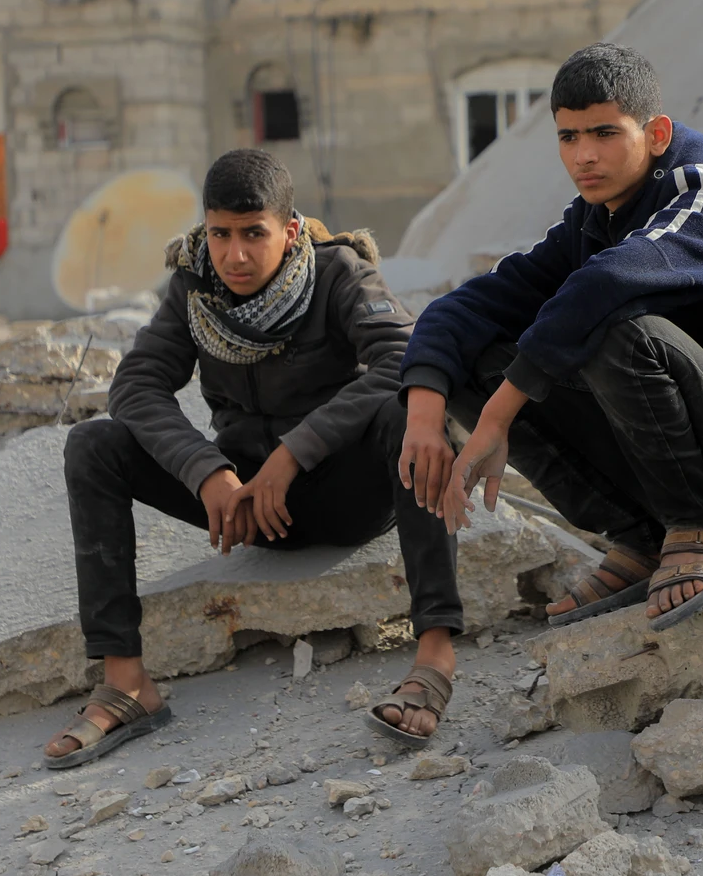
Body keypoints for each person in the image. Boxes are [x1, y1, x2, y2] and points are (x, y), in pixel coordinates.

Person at [395, 44, 703, 634]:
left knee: (618, 327)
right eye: (569, 137)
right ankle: (643, 536)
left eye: (605, 133)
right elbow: (466, 306)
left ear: (656, 134)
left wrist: (497, 416)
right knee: (476, 354)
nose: (584, 155)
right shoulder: (595, 217)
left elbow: (607, 283)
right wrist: (424, 418)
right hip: (692, 461)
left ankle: (697, 525)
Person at [44, 149, 463, 769]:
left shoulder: (338, 272)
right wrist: (205, 471)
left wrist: (295, 452)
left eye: (253, 234)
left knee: (415, 416)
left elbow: (402, 359)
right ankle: (127, 682)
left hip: (347, 494)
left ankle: (434, 654)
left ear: (289, 231)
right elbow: (135, 387)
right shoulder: (194, 287)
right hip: (245, 505)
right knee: (93, 445)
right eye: (220, 234)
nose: (234, 255)